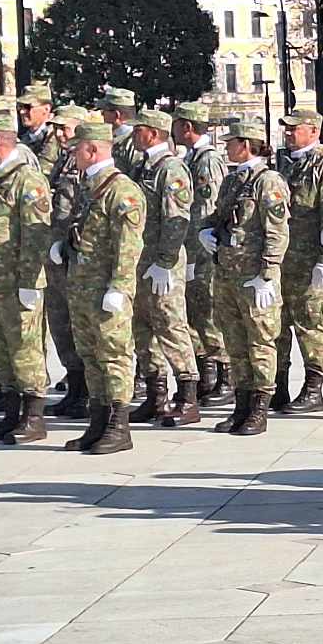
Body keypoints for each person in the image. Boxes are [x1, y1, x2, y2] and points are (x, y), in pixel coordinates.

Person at [0, 102, 54, 444]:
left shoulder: (27, 180)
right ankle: (10, 411)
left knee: (25, 348)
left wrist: (30, 281)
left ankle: (34, 417)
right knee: (0, 348)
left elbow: (36, 234)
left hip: (18, 282)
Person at [202, 120, 290, 436]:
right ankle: (241, 406)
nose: (226, 147)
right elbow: (217, 216)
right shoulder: (232, 180)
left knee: (261, 342)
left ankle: (259, 409)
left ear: (246, 144)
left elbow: (277, 231)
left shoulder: (269, 182)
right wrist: (204, 231)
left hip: (254, 277)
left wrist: (268, 273)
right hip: (227, 274)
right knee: (235, 342)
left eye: (231, 142)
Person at [63, 121, 146, 455]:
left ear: (92, 149)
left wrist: (120, 287)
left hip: (106, 290)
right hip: (83, 288)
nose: (72, 154)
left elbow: (129, 244)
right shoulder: (90, 186)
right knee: (91, 356)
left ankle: (118, 425)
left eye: (77, 149)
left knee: (114, 355)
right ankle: (97, 421)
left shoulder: (121, 190)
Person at [275, 104, 323, 414]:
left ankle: (313, 388)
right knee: (276, 325)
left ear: (313, 131)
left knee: (310, 324)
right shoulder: (286, 163)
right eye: (287, 128)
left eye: (295, 128)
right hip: (282, 258)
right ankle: (277, 386)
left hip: (308, 261)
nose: (289, 133)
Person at [129, 109, 200, 427]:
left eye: (138, 130)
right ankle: (155, 396)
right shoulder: (142, 166)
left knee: (171, 327)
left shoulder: (171, 170)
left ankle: (188, 398)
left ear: (153, 133)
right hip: (140, 260)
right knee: (142, 329)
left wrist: (166, 262)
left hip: (161, 263)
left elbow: (176, 220)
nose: (134, 134)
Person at [174, 102, 230, 405]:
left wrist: (197, 254)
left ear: (187, 127)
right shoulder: (192, 159)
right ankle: (207, 371)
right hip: (191, 249)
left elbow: (207, 211)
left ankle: (226, 375)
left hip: (203, 252)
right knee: (195, 313)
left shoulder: (207, 161)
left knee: (208, 312)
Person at [43, 106, 92, 418]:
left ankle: (88, 391)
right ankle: (74, 386)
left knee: (78, 325)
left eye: (66, 128)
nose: (60, 134)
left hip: (75, 257)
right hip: (55, 255)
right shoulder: (63, 161)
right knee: (60, 324)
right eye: (57, 129)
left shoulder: (89, 165)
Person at [101, 86, 145, 179]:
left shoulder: (134, 142)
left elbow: (136, 178)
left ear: (117, 115)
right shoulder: (113, 138)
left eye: (104, 110)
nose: (102, 114)